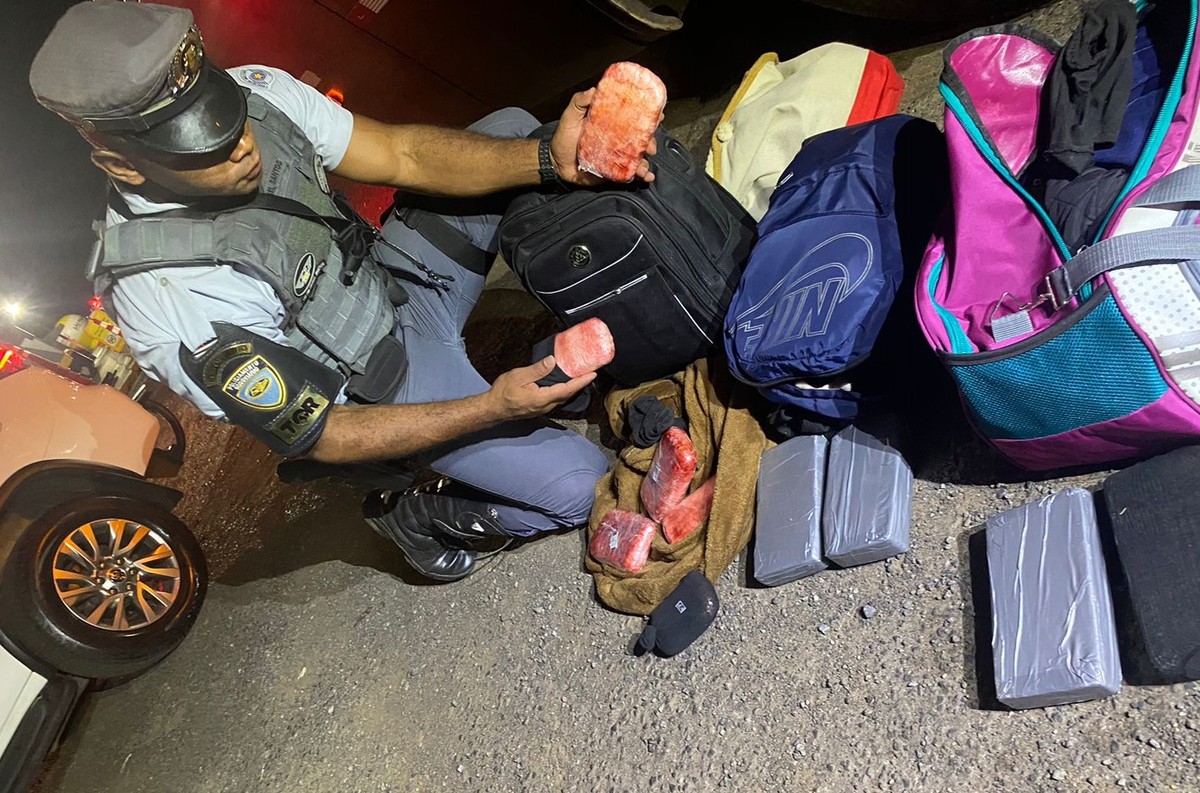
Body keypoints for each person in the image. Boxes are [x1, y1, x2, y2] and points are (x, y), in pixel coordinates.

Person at [29, 1, 658, 583]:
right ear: (122, 163)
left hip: (390, 282)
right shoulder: (168, 297)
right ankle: (421, 513)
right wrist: (493, 408)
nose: (241, 145)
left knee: (516, 135)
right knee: (583, 487)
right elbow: (326, 432)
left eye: (225, 114)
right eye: (202, 146)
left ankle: (601, 335)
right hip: (378, 384)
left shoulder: (257, 92)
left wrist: (550, 160)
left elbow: (401, 154)